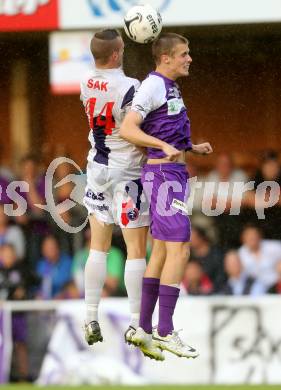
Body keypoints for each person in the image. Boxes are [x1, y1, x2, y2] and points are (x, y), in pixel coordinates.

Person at [120, 32, 212, 359]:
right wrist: (161, 147)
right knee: (181, 250)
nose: (189, 59)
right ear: (166, 58)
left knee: (159, 250)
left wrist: (189, 147)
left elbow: (164, 129)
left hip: (170, 174)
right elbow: (127, 128)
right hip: (162, 176)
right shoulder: (154, 85)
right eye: (184, 54)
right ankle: (165, 330)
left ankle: (143, 327)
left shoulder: (169, 87)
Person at [80, 29, 150, 351]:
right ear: (116, 53)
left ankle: (90, 314)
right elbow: (133, 128)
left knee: (98, 247)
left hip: (96, 169)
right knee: (136, 248)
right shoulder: (130, 87)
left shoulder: (84, 82)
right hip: (127, 172)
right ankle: (136, 321)